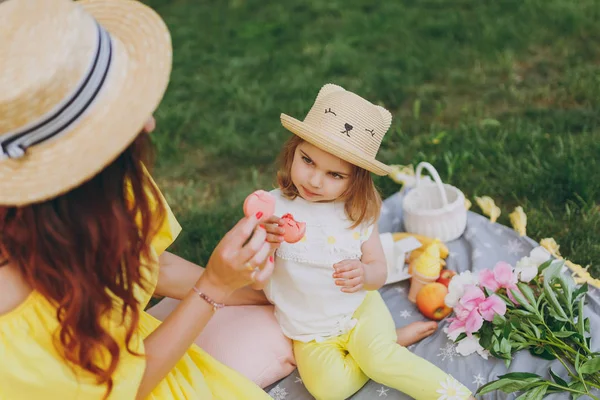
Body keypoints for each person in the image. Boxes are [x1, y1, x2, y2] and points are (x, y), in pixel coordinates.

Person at [0, 0, 274, 399]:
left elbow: (147, 263)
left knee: (282, 329)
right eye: (119, 116)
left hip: (127, 347)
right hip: (126, 383)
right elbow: (117, 391)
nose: (149, 122)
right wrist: (214, 287)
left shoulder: (93, 190)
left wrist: (247, 290)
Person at [256, 83, 475, 399]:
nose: (315, 180)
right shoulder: (272, 210)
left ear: (355, 179)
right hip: (309, 331)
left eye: (335, 175)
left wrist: (364, 273)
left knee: (382, 362)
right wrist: (267, 248)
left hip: (359, 309)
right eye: (308, 160)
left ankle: (457, 395)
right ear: (293, 150)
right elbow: (252, 282)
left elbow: (378, 272)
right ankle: (388, 342)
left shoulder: (356, 212)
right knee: (329, 390)